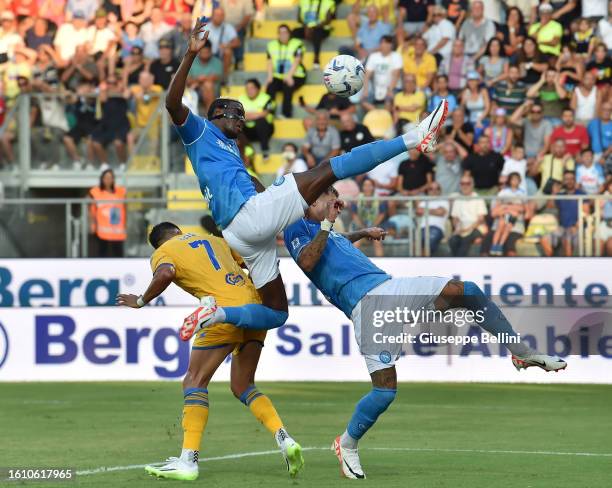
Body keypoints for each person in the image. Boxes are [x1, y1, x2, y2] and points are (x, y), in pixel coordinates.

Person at [165, 20, 448, 337]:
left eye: (244, 116)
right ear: (216, 115)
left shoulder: (229, 149)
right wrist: (190, 54)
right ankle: (415, 138)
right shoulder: (200, 131)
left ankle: (216, 314)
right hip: (248, 217)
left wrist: (305, 207)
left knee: (276, 312)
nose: (242, 121)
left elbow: (258, 191)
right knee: (331, 166)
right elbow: (172, 103)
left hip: (242, 232)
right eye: (237, 114)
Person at [283, 185, 566, 478]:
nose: (335, 207)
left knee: (466, 291)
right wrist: (328, 223)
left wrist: (362, 232)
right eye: (330, 201)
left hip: (390, 289)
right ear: (310, 200)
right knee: (384, 392)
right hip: (366, 306)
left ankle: (521, 353)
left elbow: (334, 241)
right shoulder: (295, 226)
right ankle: (348, 443)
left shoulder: (324, 231)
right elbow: (307, 261)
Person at [116, 223, 304, 480]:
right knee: (243, 385)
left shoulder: (164, 251)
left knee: (194, 380)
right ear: (178, 231)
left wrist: (140, 301)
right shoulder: (215, 240)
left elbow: (166, 273)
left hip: (221, 312)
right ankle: (285, 439)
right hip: (256, 309)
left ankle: (189, 460)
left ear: (159, 242)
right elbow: (254, 264)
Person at [540, 170, 587, 257]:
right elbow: (550, 205)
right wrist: (555, 192)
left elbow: (585, 213)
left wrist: (576, 226)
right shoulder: (560, 194)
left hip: (576, 228)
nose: (569, 181)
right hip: (562, 228)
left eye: (571, 179)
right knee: (544, 238)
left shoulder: (581, 193)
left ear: (575, 180)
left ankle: (568, 268)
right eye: (566, 179)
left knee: (567, 239)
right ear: (563, 181)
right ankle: (551, 262)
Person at [265, 24, 306, 118]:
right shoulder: (271, 45)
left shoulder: (297, 43)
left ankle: (286, 114)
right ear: (278, 34)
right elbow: (270, 62)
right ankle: (270, 113)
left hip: (296, 75)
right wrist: (270, 77)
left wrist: (289, 76)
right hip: (279, 76)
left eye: (285, 32)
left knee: (287, 86)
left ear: (289, 33)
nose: (283, 35)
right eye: (280, 33)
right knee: (270, 87)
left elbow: (297, 60)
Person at [90, 77, 130, 168]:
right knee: (95, 142)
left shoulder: (122, 94)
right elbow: (102, 98)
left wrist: (120, 88)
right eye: (109, 83)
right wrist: (104, 89)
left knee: (118, 143)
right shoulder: (104, 94)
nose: (111, 86)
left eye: (114, 83)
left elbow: (127, 95)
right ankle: (105, 164)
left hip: (121, 125)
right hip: (106, 126)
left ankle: (123, 164)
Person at [88, 169, 127, 257]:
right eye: (106, 178)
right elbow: (91, 209)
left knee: (118, 253)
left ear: (113, 179)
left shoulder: (120, 192)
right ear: (102, 179)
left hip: (117, 230)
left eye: (110, 178)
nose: (108, 180)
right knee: (102, 253)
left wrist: (125, 225)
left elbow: (125, 208)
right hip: (102, 230)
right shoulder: (96, 192)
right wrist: (92, 224)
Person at [486, 172, 527, 256]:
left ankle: (500, 245)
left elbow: (523, 208)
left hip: (514, 218)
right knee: (500, 226)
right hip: (503, 216)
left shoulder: (522, 193)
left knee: (508, 228)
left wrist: (506, 207)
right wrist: (508, 208)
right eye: (513, 179)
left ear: (519, 181)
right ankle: (494, 246)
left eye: (517, 179)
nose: (515, 181)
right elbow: (496, 208)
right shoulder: (504, 192)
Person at [361, 35, 402, 112]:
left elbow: (396, 75)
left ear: (391, 45)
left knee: (388, 101)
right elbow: (367, 75)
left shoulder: (396, 56)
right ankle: (378, 113)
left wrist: (390, 90)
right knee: (363, 101)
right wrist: (365, 90)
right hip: (376, 87)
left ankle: (386, 119)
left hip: (393, 87)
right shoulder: (373, 56)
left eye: (387, 43)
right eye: (382, 43)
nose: (385, 45)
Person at [449, 175, 488, 256]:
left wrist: (467, 229)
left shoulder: (478, 198)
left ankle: (458, 264)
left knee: (465, 239)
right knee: (452, 240)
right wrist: (457, 228)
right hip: (462, 228)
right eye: (462, 183)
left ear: (472, 184)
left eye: (468, 183)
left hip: (477, 227)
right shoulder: (458, 199)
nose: (465, 186)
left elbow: (481, 219)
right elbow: (455, 218)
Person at [350, 178, 388, 257]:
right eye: (365, 185)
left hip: (375, 226)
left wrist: (372, 228)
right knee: (356, 243)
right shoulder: (356, 199)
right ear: (362, 187)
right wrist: (364, 229)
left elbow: (382, 214)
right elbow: (354, 215)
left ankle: (380, 263)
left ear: (373, 187)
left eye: (369, 185)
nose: (367, 187)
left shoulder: (379, 199)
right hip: (360, 227)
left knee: (377, 242)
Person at [292, 0, 335, 68]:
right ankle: (296, 57)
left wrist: (313, 28)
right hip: (305, 27)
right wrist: (306, 27)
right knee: (293, 32)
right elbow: (299, 18)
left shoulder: (328, 2)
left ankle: (316, 58)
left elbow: (328, 20)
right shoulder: (303, 1)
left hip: (321, 28)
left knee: (317, 33)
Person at [239, 78, 275, 158]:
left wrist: (248, 115)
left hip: (264, 129)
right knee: (237, 124)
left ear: (258, 89)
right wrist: (257, 114)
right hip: (248, 129)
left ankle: (265, 149)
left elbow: (265, 113)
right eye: (247, 88)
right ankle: (246, 148)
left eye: (252, 88)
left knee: (261, 121)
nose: (249, 90)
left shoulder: (266, 98)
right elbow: (239, 115)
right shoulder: (241, 99)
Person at [187, 39, 223, 114]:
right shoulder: (192, 62)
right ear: (199, 52)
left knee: (208, 85)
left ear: (210, 51)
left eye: (207, 52)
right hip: (195, 90)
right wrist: (198, 80)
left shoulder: (217, 62)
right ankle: (210, 116)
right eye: (203, 52)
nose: (205, 54)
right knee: (207, 85)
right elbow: (187, 80)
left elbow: (216, 77)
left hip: (213, 90)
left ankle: (209, 115)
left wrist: (198, 81)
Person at [206, 8, 240, 81]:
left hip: (221, 55)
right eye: (217, 15)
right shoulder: (206, 27)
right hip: (207, 54)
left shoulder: (228, 27)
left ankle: (223, 78)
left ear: (224, 17)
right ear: (212, 15)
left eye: (221, 15)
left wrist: (226, 45)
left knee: (228, 51)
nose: (219, 17)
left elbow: (237, 42)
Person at [416, 182, 449, 255]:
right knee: (416, 245)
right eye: (431, 189)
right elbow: (418, 211)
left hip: (437, 228)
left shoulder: (444, 201)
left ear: (440, 190)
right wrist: (434, 211)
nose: (434, 191)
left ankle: (424, 263)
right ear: (427, 191)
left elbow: (440, 212)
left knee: (429, 243)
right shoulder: (423, 202)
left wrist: (424, 210)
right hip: (422, 228)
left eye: (437, 189)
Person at [588, 102, 612, 166]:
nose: (606, 112)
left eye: (609, 110)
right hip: (593, 154)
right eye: (604, 109)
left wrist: (604, 157)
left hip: (608, 155)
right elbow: (588, 138)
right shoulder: (593, 123)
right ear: (600, 110)